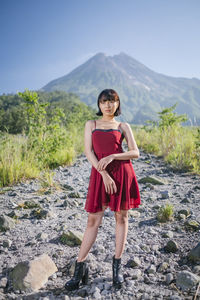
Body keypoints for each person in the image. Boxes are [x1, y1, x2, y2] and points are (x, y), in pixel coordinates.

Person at [65, 89, 141, 291]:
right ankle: (79, 269)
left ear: (117, 104)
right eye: (103, 102)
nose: (107, 105)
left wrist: (114, 156)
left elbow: (135, 152)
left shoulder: (123, 126)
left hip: (122, 174)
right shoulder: (91, 124)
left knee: (121, 218)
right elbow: (88, 151)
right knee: (92, 220)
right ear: (99, 105)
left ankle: (116, 269)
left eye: (111, 101)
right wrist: (104, 173)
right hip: (100, 176)